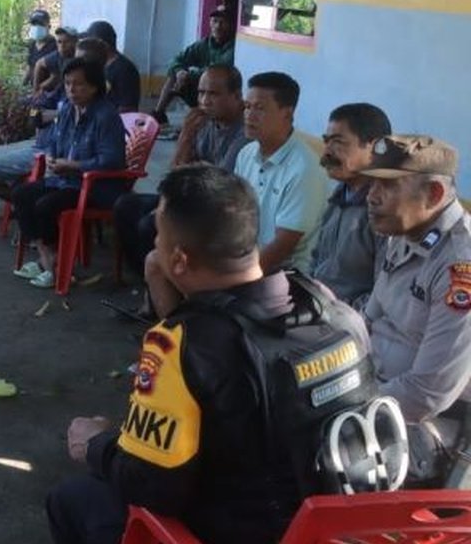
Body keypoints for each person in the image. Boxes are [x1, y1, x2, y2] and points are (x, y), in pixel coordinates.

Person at [49, 164, 369, 544]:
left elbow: (151, 485)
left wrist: (98, 444)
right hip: (336, 527)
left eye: (159, 239)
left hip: (244, 529)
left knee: (71, 500)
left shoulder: (181, 344)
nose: (155, 248)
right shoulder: (332, 308)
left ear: (179, 260)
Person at [358, 135, 471, 481]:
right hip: (374, 390)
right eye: (372, 183)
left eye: (388, 186)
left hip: (430, 424)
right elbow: (369, 319)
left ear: (434, 195)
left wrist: (348, 406)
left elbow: (427, 393)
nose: (371, 196)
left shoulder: (460, 267)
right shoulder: (404, 231)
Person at [113, 65, 250, 277]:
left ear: (237, 96)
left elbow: (220, 185)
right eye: (201, 93)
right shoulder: (204, 122)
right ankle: (148, 280)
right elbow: (175, 175)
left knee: (149, 225)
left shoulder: (244, 132)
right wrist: (186, 135)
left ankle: (166, 286)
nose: (205, 101)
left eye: (213, 94)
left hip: (218, 211)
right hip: (193, 198)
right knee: (125, 205)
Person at [11, 57, 126, 288]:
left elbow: (111, 160)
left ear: (94, 86)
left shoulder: (106, 115)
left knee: (46, 205)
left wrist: (72, 166)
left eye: (79, 84)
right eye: (67, 83)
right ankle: (47, 259)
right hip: (65, 180)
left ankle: (57, 264)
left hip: (94, 188)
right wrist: (53, 158)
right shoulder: (66, 111)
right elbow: (53, 142)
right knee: (21, 194)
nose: (72, 89)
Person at [233, 72, 330, 273]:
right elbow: (233, 213)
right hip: (246, 258)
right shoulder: (246, 153)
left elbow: (283, 247)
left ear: (287, 114)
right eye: (247, 107)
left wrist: (236, 276)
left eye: (260, 108)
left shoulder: (305, 168)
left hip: (284, 274)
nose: (249, 115)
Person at [0, 27, 78, 204]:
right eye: (59, 41)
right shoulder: (60, 70)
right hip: (42, 142)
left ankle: (24, 204)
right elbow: (37, 108)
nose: (72, 88)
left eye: (66, 41)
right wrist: (37, 98)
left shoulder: (92, 109)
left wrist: (53, 115)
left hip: (51, 153)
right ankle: (24, 203)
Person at [309, 103, 391, 308]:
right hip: (319, 310)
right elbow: (316, 261)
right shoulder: (338, 198)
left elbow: (383, 295)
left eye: (338, 142)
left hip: (351, 326)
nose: (327, 150)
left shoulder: (387, 213)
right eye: (327, 141)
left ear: (375, 147)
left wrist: (340, 315)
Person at [150, 5, 236, 125]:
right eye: (215, 21)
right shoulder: (204, 43)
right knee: (174, 74)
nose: (218, 26)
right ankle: (158, 114)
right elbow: (177, 59)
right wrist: (179, 71)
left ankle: (205, 118)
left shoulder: (235, 46)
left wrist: (188, 74)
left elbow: (215, 71)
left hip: (219, 91)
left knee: (193, 79)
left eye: (223, 22)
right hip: (200, 87)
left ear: (231, 25)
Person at [83, 20, 141, 113]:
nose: (87, 48)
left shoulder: (124, 69)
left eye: (90, 44)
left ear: (103, 44)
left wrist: (101, 117)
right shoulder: (99, 64)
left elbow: (128, 108)